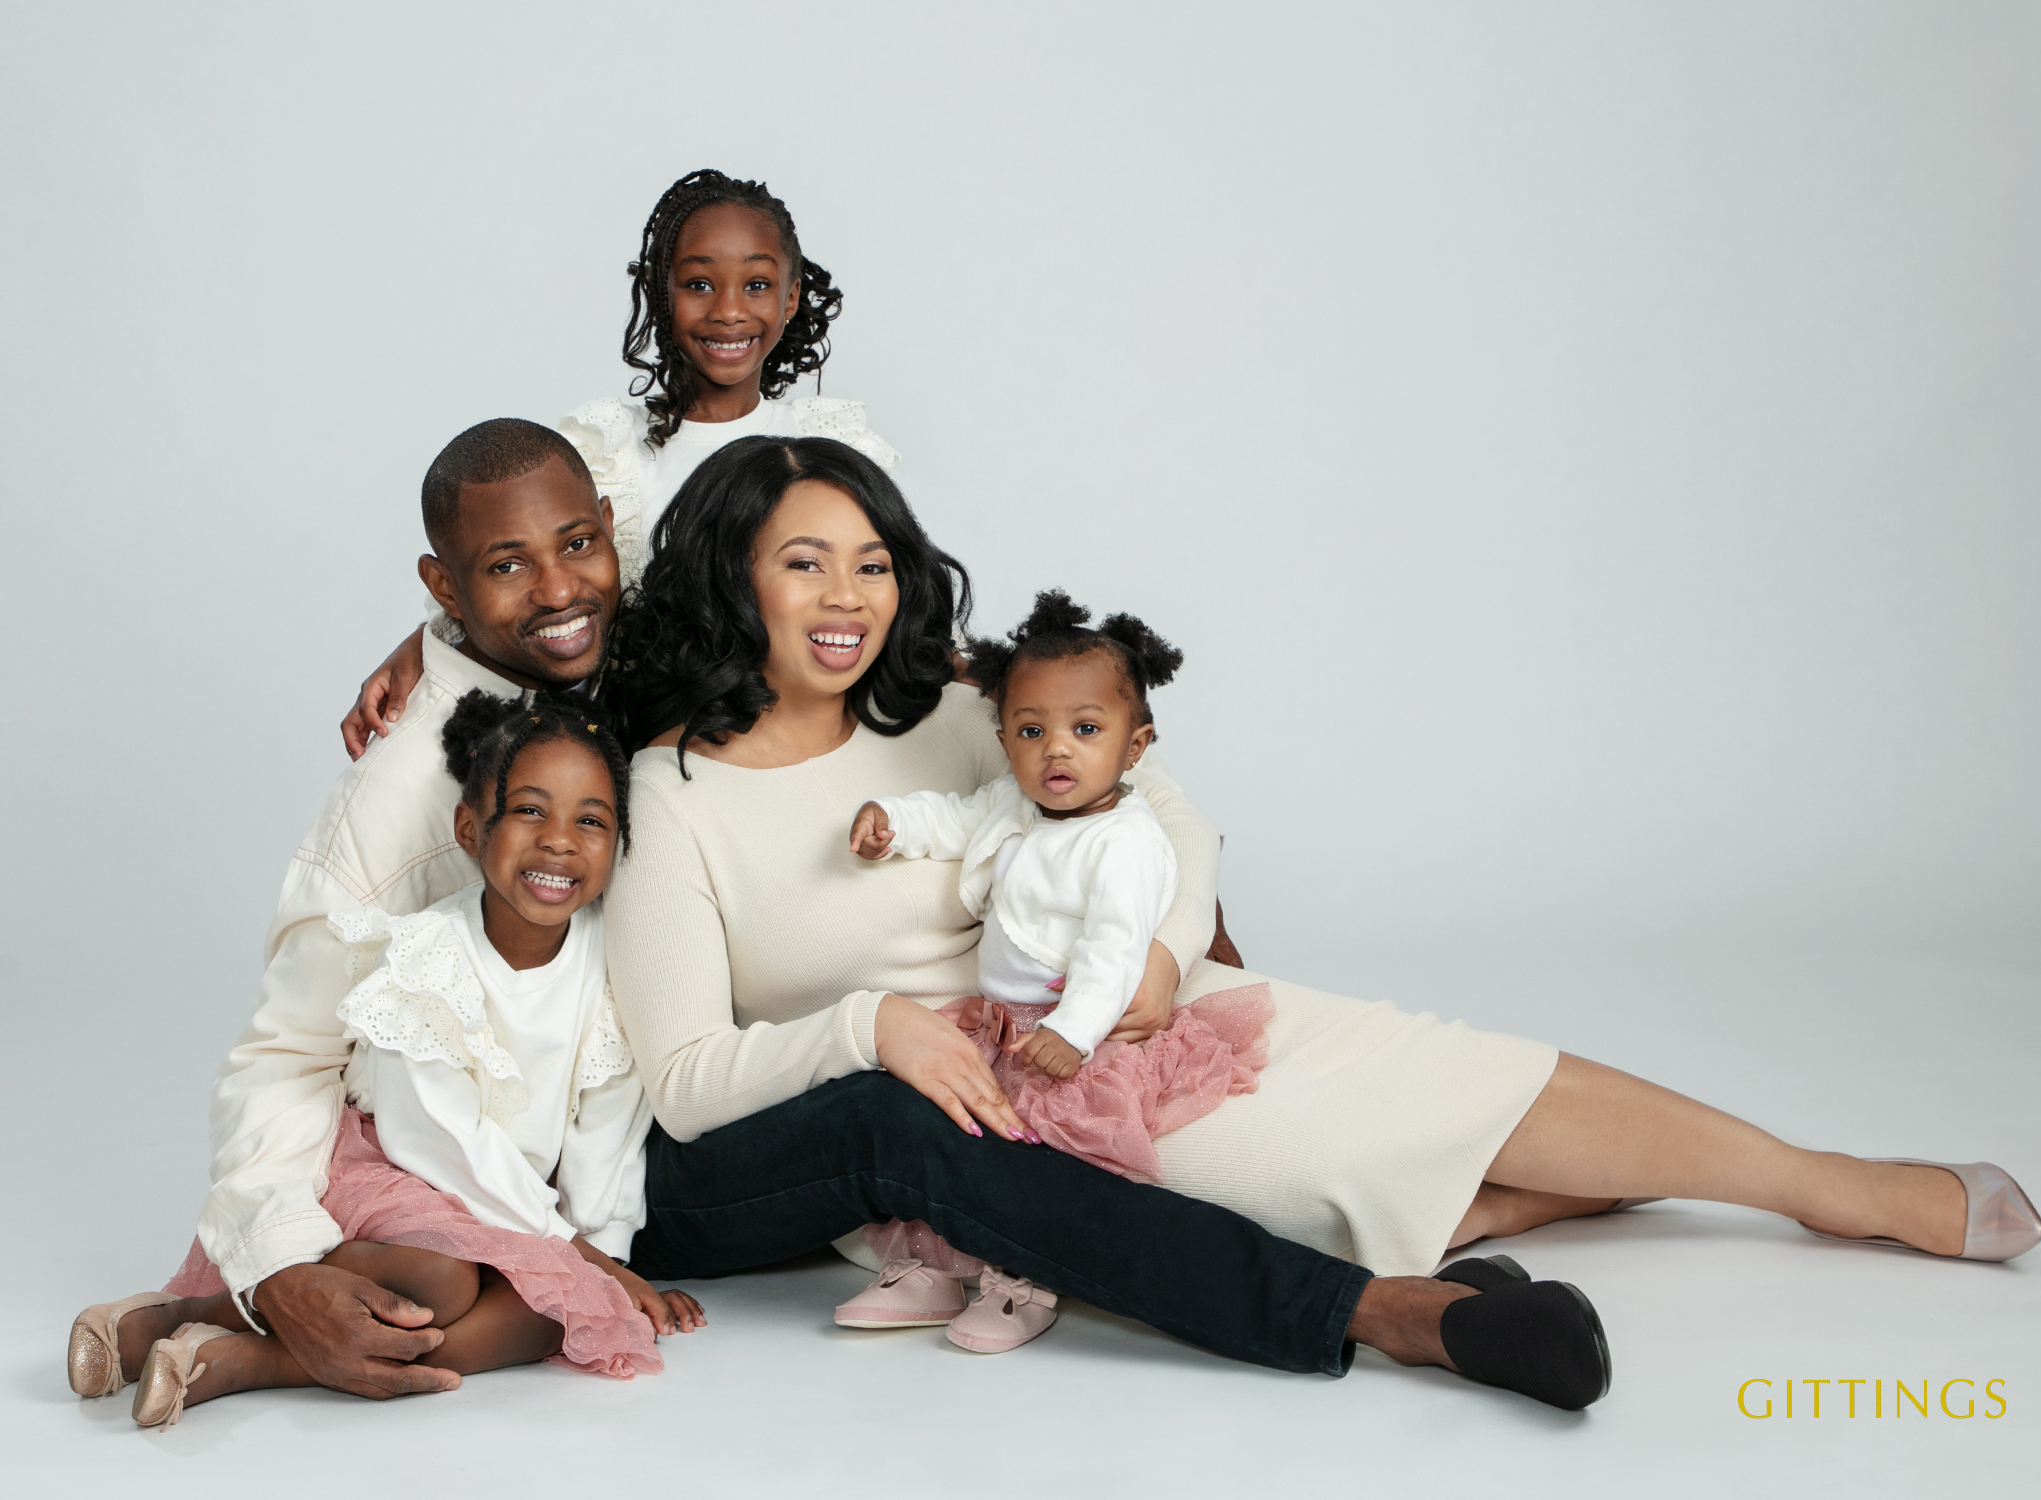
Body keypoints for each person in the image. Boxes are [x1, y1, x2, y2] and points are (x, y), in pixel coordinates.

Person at [85, 415, 1623, 1411]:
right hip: (519, 1131)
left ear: (626, 553)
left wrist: (1161, 937)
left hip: (613, 1133)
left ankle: (188, 1333)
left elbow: (1052, 750)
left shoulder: (639, 654)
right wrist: (278, 1243)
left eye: (579, 551)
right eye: (504, 573)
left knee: (951, 1126)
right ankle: (1392, 1315)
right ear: (450, 583)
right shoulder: (408, 781)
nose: (557, 587)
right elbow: (285, 1052)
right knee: (461, 1250)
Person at [596, 433, 2041, 1397]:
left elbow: (1168, 815)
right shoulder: (670, 800)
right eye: (803, 563)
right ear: (733, 579)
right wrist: (876, 1026)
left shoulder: (958, 707)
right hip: (996, 1105)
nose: (848, 597)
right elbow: (683, 1084)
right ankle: (1470, 1270)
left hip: (1127, 1017)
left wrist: (1164, 955)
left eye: (871, 560)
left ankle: (1825, 1181)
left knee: (1404, 1058)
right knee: (1301, 1159)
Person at [73, 692, 705, 1428]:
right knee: (442, 1281)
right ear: (472, 828)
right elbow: (438, 1139)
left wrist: (606, 1260)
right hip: (396, 1170)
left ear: (619, 844)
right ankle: (191, 1311)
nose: (560, 841)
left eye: (590, 821)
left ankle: (252, 1362)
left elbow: (610, 1126)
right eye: (531, 811)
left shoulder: (611, 957)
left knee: (554, 1316)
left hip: (510, 1210)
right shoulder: (426, 959)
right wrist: (580, 1257)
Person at [838, 592, 1272, 1352]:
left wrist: (1074, 1031)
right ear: (1005, 737)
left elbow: (1114, 948)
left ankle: (1025, 1277)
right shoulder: (1015, 802)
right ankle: (934, 1267)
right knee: (955, 1129)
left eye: (1086, 730)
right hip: (1002, 1025)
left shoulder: (1124, 843)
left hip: (1075, 1032)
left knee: (1041, 1153)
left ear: (1135, 748)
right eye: (1033, 732)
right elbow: (956, 815)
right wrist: (893, 821)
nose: (1057, 751)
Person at [341, 169, 897, 760]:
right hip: (645, 754)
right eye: (700, 284)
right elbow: (502, 583)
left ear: (789, 298)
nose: (729, 310)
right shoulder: (608, 449)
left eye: (756, 284)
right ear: (661, 292)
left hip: (815, 745)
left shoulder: (830, 443)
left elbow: (888, 586)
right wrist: (419, 650)